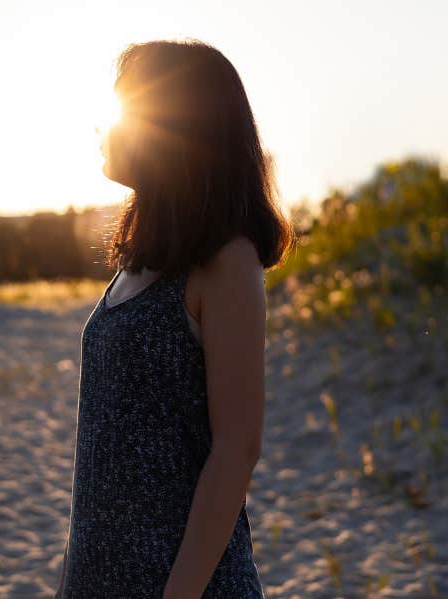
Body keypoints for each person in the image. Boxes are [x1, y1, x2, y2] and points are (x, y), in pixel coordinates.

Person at [55, 39, 295, 598]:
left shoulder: (227, 261)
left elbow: (237, 448)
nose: (103, 126)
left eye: (124, 107)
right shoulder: (143, 256)